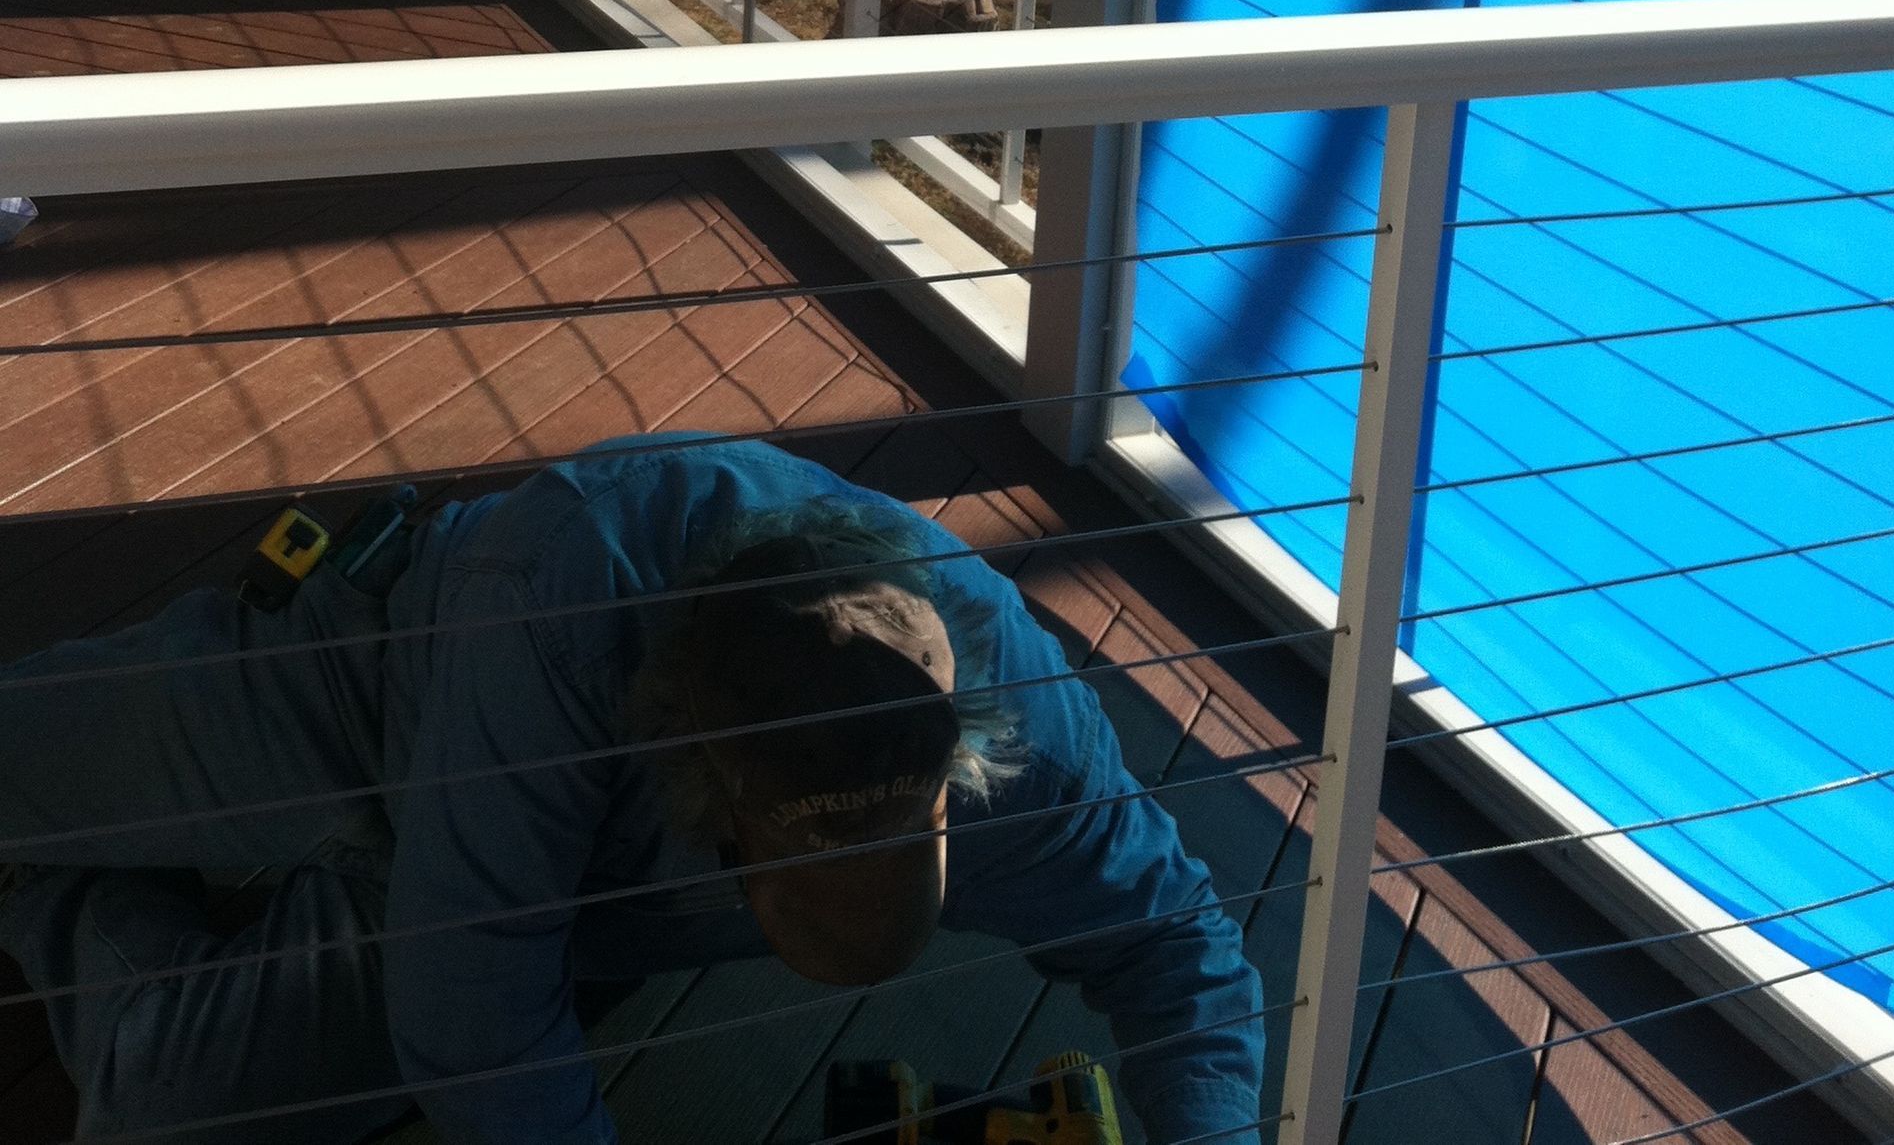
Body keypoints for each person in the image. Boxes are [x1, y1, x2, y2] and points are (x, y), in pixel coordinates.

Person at [0, 435, 1264, 1145]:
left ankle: (64, 902)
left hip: (567, 885)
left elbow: (1183, 951)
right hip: (373, 693)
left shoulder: (1025, 734)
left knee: (167, 1116)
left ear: (956, 785)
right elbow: (479, 1016)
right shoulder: (561, 584)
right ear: (704, 801)